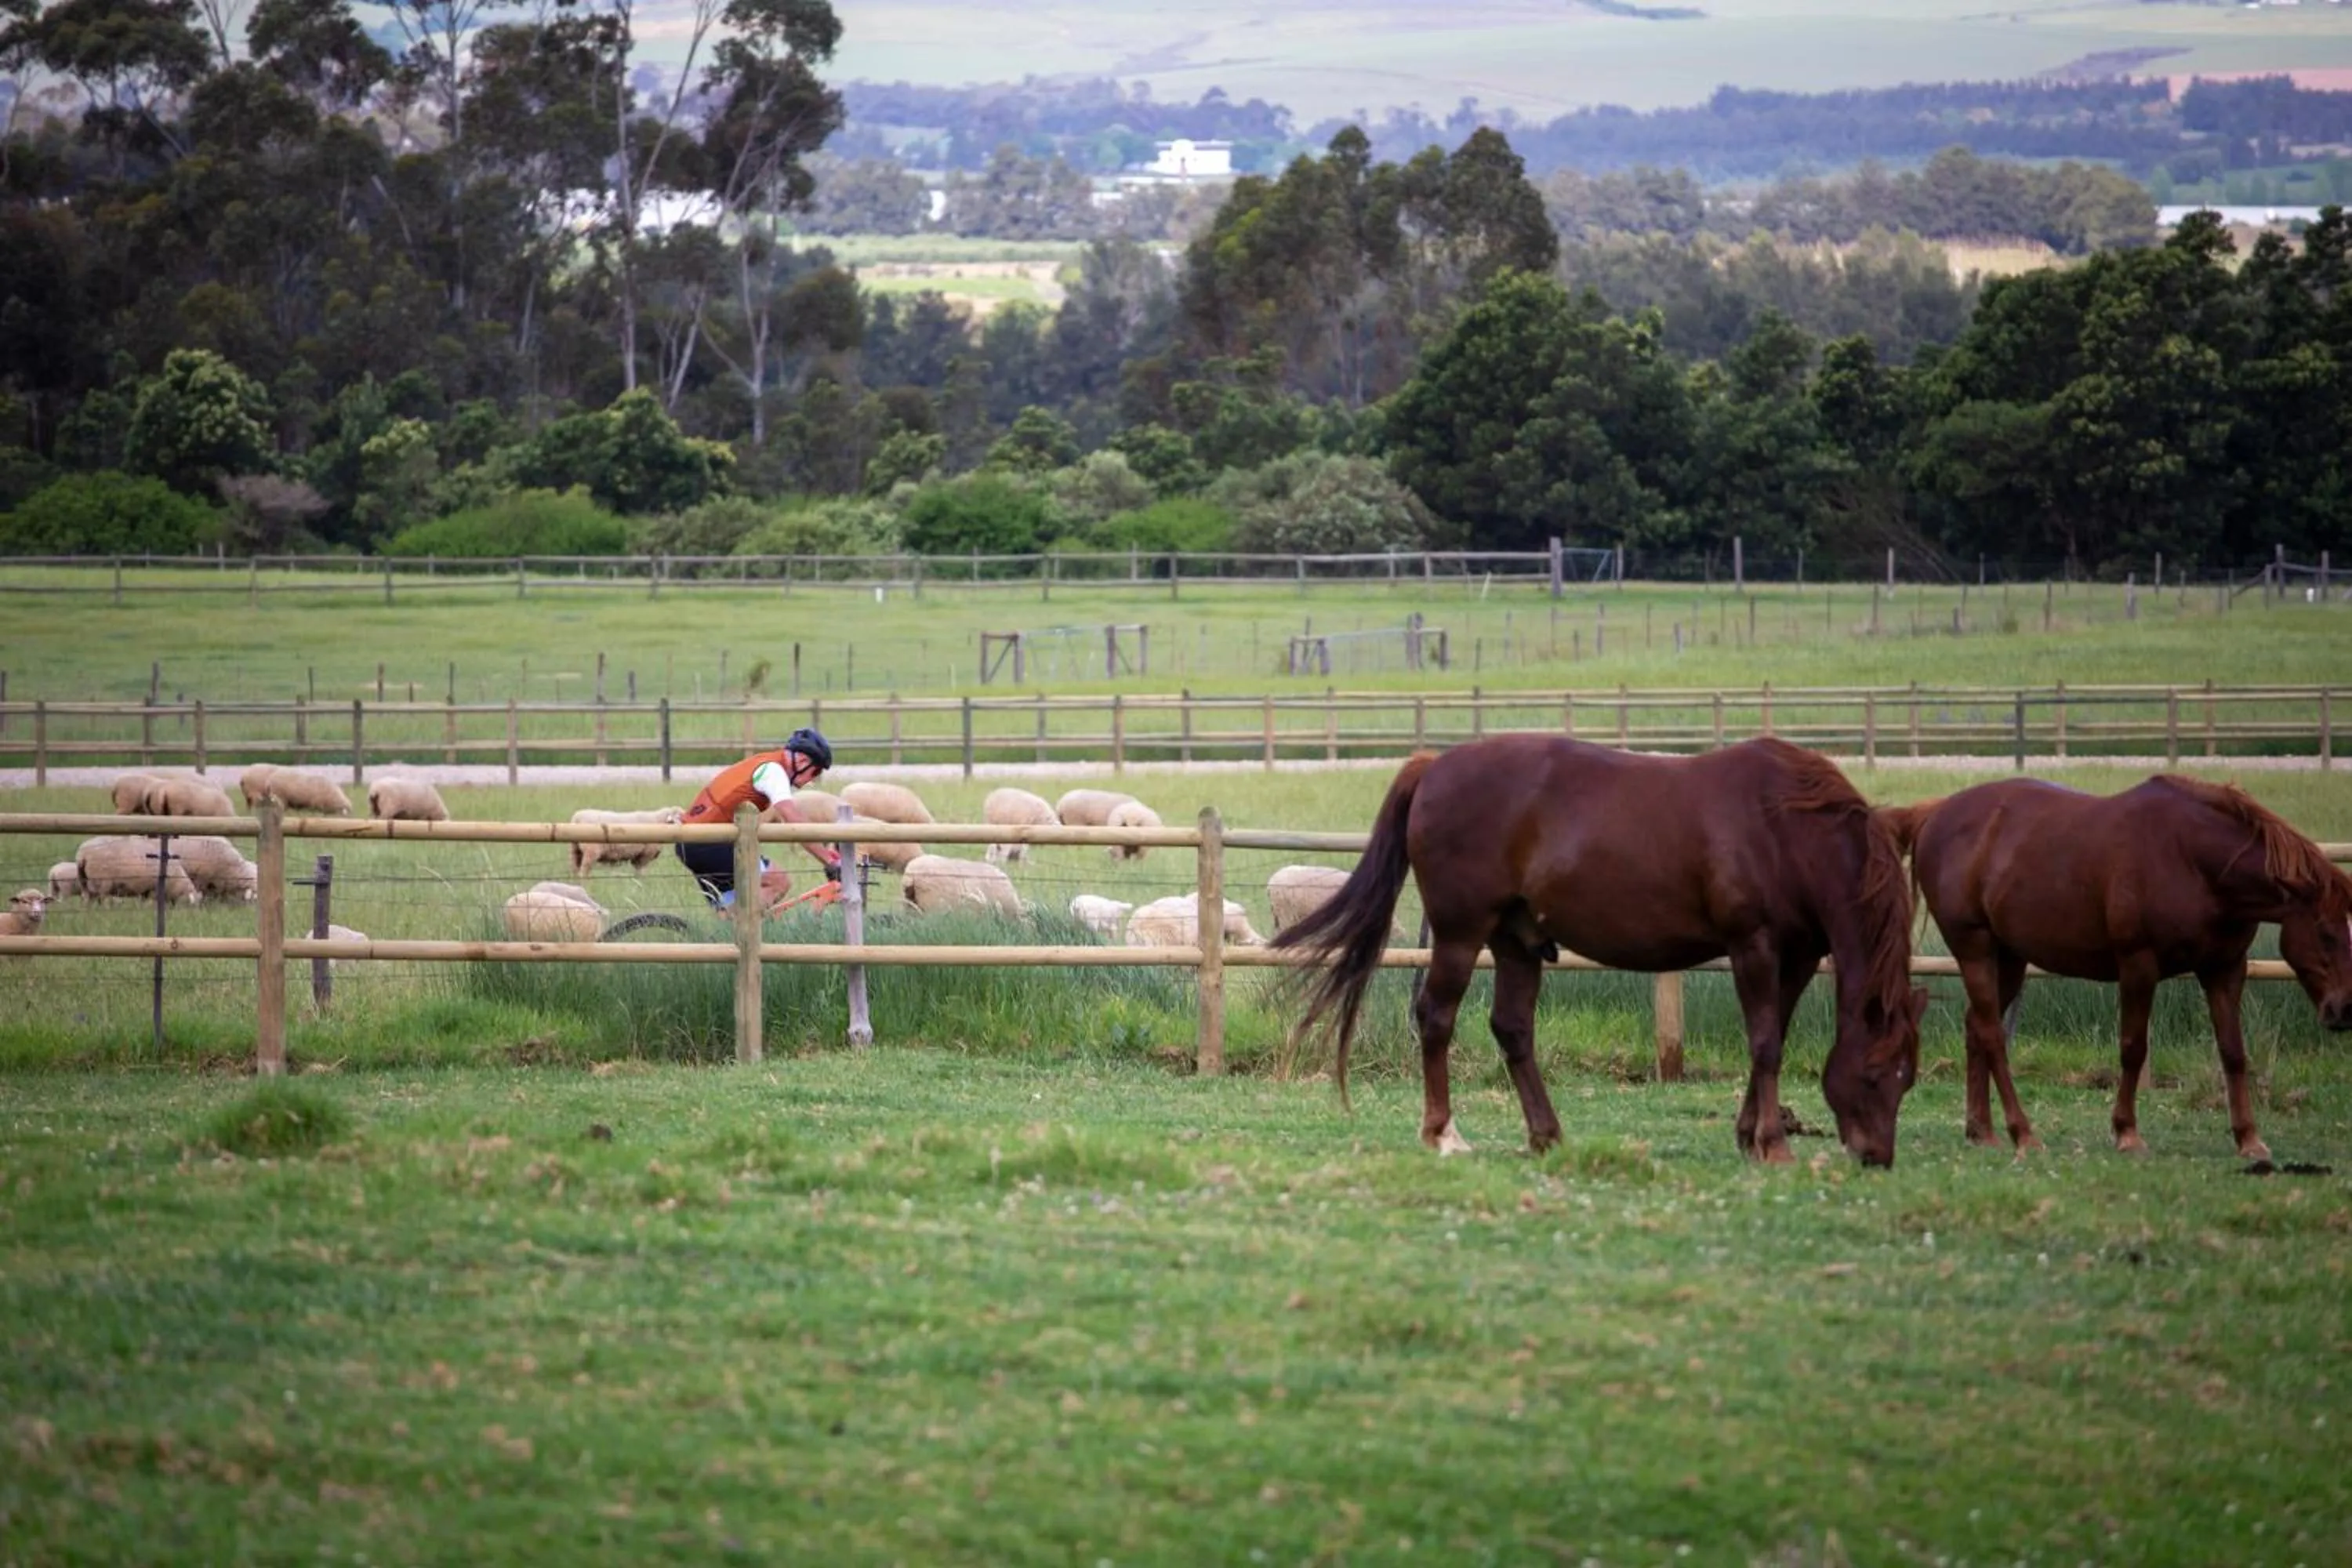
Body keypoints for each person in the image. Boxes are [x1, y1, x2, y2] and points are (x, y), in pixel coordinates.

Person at [676, 727, 844, 910]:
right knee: (778, 881)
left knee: (730, 908)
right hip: (708, 843)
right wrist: (829, 860)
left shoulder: (764, 762)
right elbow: (793, 819)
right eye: (815, 772)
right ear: (803, 761)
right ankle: (747, 934)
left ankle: (726, 933)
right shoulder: (774, 771)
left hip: (691, 842)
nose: (811, 780)